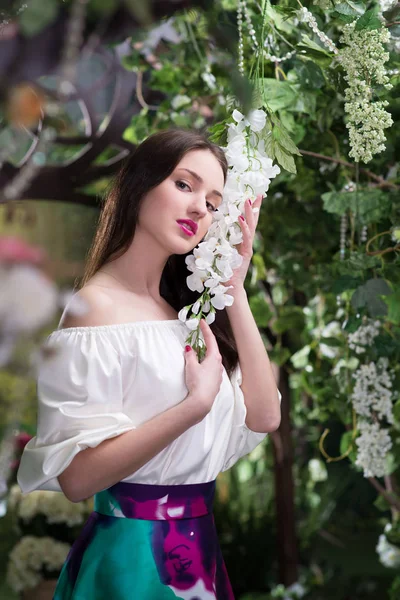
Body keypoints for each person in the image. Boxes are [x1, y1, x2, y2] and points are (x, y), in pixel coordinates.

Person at [17, 129, 282, 599]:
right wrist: (193, 406)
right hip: (131, 564)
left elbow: (264, 416)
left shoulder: (188, 314)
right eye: (185, 184)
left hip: (199, 558)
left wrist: (235, 287)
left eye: (214, 200)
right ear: (138, 186)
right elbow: (78, 479)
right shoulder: (93, 311)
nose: (201, 207)